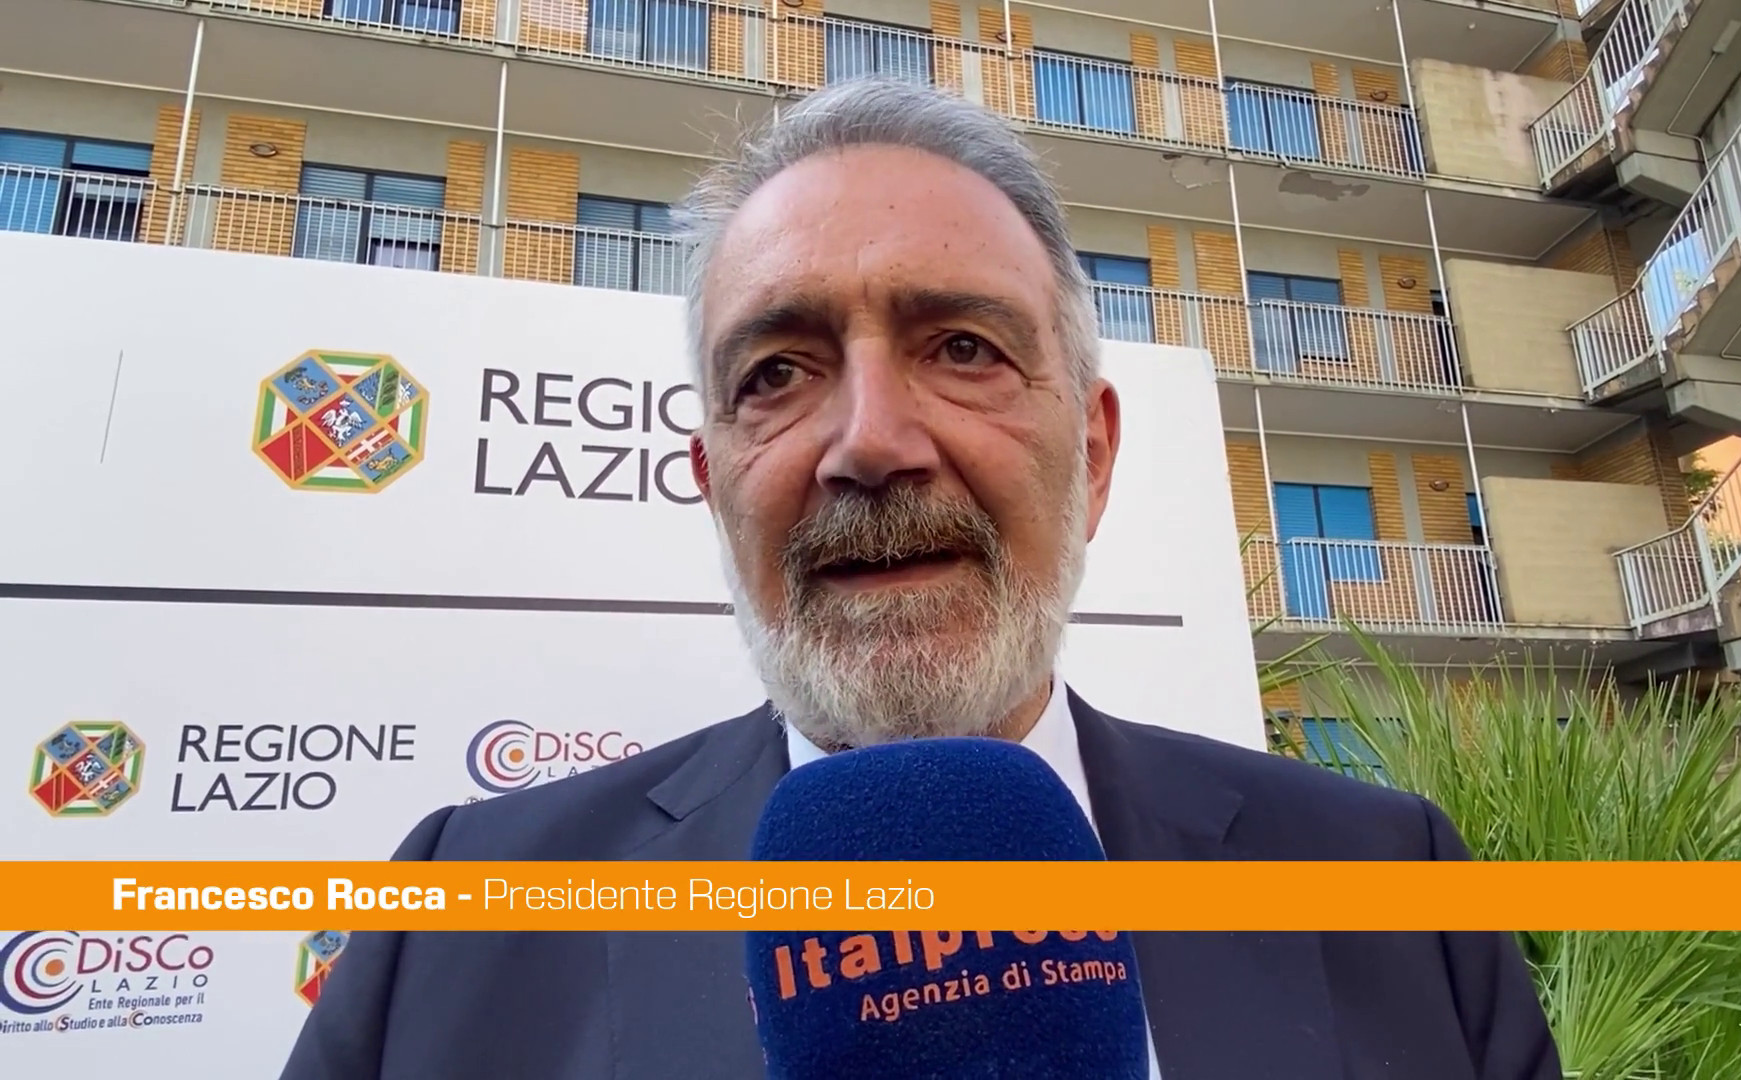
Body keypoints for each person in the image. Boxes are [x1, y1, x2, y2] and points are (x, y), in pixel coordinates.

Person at [277, 76, 1561, 1080]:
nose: (871, 443)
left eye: (962, 348)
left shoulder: (1393, 888)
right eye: (777, 373)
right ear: (715, 484)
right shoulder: (459, 921)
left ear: (1092, 455)